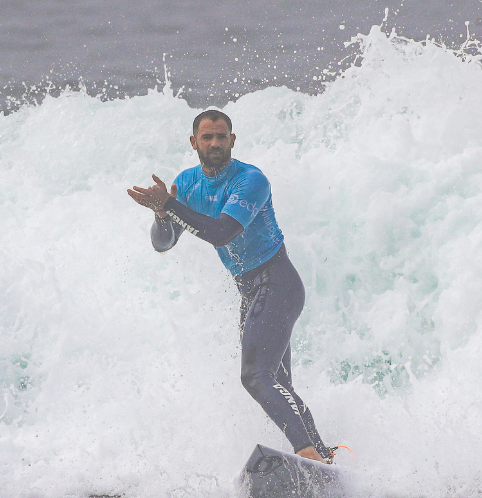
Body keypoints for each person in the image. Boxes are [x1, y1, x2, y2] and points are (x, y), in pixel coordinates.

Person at [127, 109, 335, 463]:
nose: (215, 144)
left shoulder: (250, 180)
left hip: (278, 282)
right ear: (194, 143)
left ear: (232, 140)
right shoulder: (188, 183)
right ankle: (324, 455)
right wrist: (163, 214)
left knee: (255, 376)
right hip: (252, 291)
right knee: (277, 383)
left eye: (222, 137)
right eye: (207, 138)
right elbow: (164, 244)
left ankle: (307, 452)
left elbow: (223, 232)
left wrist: (172, 204)